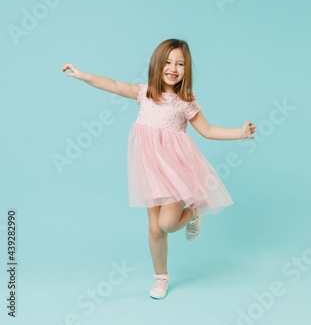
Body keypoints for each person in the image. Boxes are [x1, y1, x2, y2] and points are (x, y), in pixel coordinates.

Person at [61, 38, 256, 300]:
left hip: (176, 171)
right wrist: (84, 76)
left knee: (166, 224)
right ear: (157, 64)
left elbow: (208, 131)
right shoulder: (146, 93)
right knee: (154, 229)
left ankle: (194, 213)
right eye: (168, 62)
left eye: (180, 64)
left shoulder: (186, 103)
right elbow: (115, 85)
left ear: (187, 70)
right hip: (151, 170)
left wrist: (240, 133)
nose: (173, 68)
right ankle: (161, 278)